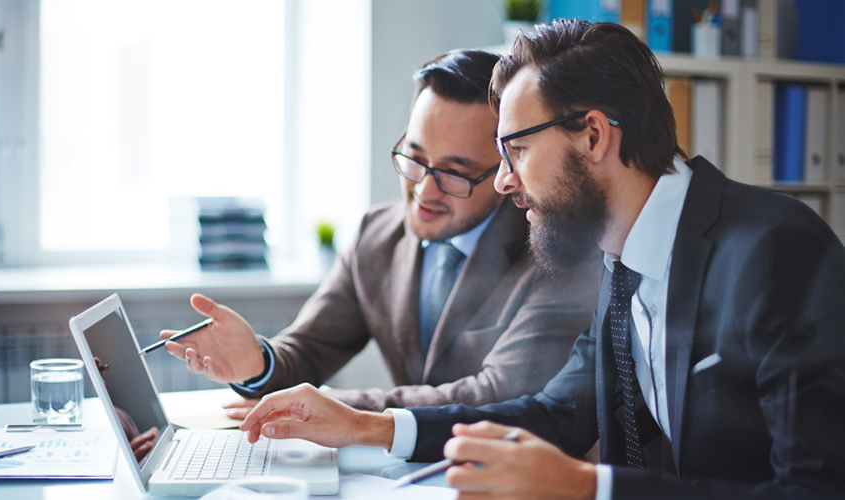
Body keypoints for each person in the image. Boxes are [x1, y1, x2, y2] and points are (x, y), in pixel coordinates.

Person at [232, 20, 845, 500]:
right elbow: (557, 413)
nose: (501, 182)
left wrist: (587, 488)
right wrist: (369, 427)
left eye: (515, 150)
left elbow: (817, 489)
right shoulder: (622, 259)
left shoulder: (774, 250)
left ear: (595, 136)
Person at [160, 49, 599, 415]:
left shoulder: (555, 252)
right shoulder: (377, 233)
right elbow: (309, 348)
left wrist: (335, 410)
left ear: (507, 170)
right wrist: (258, 364)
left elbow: (498, 394)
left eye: (456, 172)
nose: (424, 190)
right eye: (415, 157)